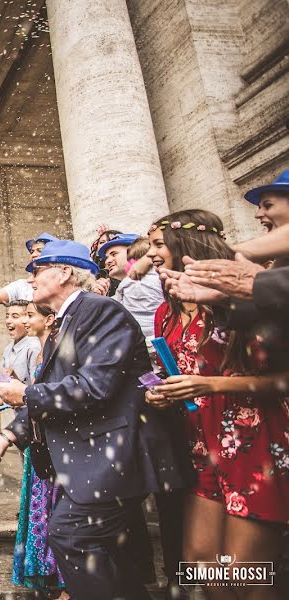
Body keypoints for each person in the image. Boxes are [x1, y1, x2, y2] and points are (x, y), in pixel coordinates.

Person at [0, 240, 189, 600]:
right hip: (92, 456)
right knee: (111, 554)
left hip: (113, 454)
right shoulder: (67, 319)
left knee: (71, 534)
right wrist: (10, 435)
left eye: (38, 271)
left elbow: (94, 387)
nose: (31, 279)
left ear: (64, 274)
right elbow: (56, 388)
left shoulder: (102, 311)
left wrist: (24, 394)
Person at [145, 210, 288, 595]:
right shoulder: (166, 312)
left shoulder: (238, 304)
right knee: (198, 563)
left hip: (251, 439)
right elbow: (175, 368)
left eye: (159, 244)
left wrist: (207, 384)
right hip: (199, 444)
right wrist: (161, 391)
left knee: (245, 572)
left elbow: (282, 381)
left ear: (184, 244)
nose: (151, 253)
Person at [8, 302, 66, 596]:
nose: (23, 321)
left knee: (55, 512)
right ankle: (48, 572)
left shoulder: (57, 351)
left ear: (49, 319)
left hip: (57, 444)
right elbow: (32, 393)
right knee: (40, 509)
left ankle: (67, 583)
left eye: (30, 315)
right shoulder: (39, 351)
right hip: (38, 441)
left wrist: (22, 394)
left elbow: (44, 395)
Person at [99, 233, 164, 337]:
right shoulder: (127, 286)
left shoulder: (142, 283)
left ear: (133, 252)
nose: (107, 262)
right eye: (106, 258)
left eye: (114, 254)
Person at [0, 301, 41, 383]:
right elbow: (1, 379)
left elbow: (37, 389)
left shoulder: (33, 347)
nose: (8, 321)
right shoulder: (8, 348)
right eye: (7, 316)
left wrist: (14, 377)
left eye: (14, 316)